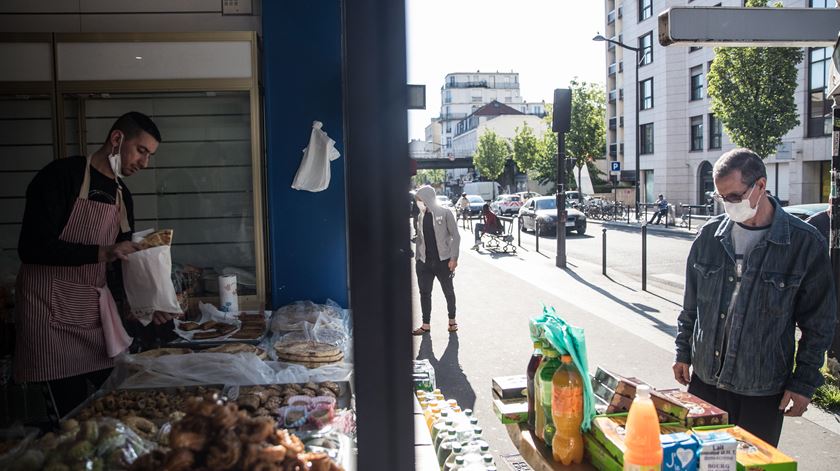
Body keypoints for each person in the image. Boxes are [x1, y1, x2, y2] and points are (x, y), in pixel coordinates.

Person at [14, 111, 175, 417]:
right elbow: (32, 248)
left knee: (112, 409)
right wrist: (101, 252)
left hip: (93, 317)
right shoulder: (62, 177)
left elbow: (123, 261)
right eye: (141, 151)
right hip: (48, 319)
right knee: (67, 417)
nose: (145, 163)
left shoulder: (121, 195)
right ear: (117, 139)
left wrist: (147, 304)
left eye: (150, 155)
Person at [673, 148, 836, 447]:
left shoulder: (804, 243)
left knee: (751, 467)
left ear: (761, 185)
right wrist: (683, 351)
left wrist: (803, 383)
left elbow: (820, 323)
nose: (728, 205)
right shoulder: (708, 236)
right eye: (721, 198)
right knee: (701, 465)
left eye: (734, 196)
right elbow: (691, 305)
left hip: (762, 391)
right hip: (705, 383)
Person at [412, 186, 460, 335]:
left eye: (420, 199)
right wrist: (418, 258)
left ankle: (452, 321)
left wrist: (454, 258)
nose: (419, 202)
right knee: (424, 293)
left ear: (427, 197)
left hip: (443, 261)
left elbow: (456, 236)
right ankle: (426, 324)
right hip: (424, 263)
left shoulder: (445, 213)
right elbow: (420, 238)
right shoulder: (420, 216)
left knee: (448, 292)